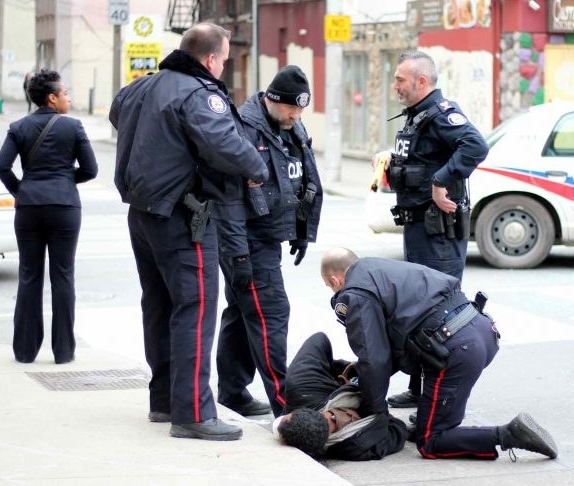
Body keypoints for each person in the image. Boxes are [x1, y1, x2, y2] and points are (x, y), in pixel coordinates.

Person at [108, 23, 268, 441]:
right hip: (185, 218)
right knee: (194, 311)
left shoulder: (140, 87)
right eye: (225, 60)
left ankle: (164, 401)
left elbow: (116, 114)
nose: (224, 67)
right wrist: (257, 167)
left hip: (143, 214)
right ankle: (193, 412)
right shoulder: (200, 93)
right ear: (211, 59)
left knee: (159, 307)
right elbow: (223, 142)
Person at [320, 247, 558, 461]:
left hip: (455, 350)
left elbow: (375, 358)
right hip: (482, 331)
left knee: (431, 442)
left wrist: (376, 412)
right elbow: (388, 348)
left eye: (330, 286)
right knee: (426, 424)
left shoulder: (354, 293)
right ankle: (434, 422)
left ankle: (510, 434)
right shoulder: (379, 268)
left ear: (335, 280)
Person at [214, 65, 323, 417]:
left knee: (241, 312)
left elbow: (300, 177)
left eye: (301, 108)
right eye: (291, 107)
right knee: (271, 312)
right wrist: (239, 255)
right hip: (246, 239)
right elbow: (227, 199)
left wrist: (300, 230)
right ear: (272, 100)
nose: (297, 114)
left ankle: (232, 392)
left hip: (268, 236)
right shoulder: (241, 128)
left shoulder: (290, 124)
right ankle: (286, 406)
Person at [385, 50, 489, 409]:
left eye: (400, 79)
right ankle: (419, 387)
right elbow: (422, 157)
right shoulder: (418, 116)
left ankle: (438, 394)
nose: (395, 85)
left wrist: (441, 181)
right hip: (418, 227)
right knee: (419, 308)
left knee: (440, 311)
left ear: (421, 82)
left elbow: (476, 145)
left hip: (437, 231)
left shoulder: (442, 113)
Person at [0, 69, 98, 365]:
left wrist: (23, 190)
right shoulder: (73, 127)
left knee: (29, 275)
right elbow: (91, 170)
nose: (68, 97)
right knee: (63, 277)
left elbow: (2, 167)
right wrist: (63, 181)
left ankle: (25, 351)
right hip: (64, 207)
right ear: (52, 98)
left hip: (28, 208)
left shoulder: (18, 127)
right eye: (65, 93)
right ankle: (63, 352)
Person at [273, 332, 407, 460]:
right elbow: (399, 429)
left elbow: (399, 431)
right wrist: (375, 407)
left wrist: (344, 370)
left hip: (357, 395)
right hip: (372, 401)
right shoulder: (303, 390)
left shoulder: (356, 449)